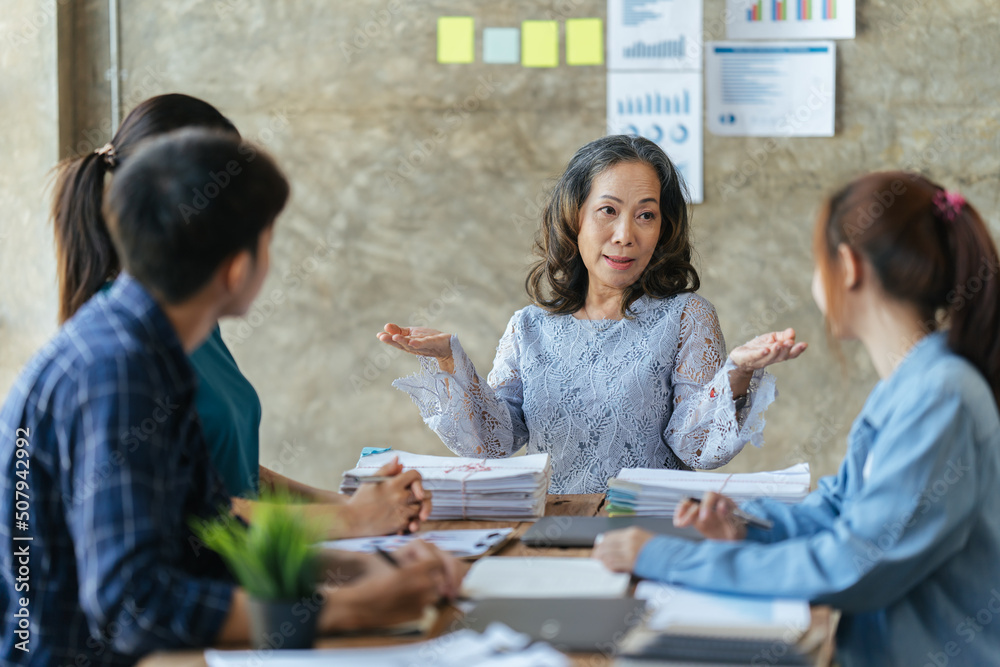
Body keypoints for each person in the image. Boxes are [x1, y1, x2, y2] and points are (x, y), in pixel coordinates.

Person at [0, 130, 463, 666]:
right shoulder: (118, 370)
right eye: (269, 239)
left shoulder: (142, 349)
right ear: (237, 268)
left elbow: (209, 529)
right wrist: (347, 610)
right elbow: (135, 606)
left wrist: (358, 569)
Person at [593, 172, 1000, 667]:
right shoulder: (915, 382)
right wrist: (746, 529)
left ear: (847, 268)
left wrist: (665, 557)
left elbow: (855, 564)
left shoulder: (941, 395)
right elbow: (838, 509)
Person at [51, 93, 422, 537]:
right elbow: (192, 521)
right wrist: (352, 520)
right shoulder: (118, 357)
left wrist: (356, 508)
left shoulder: (189, 328)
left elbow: (218, 477)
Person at [378, 135, 806, 493]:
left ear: (663, 229)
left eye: (646, 215)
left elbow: (695, 447)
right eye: (608, 210)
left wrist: (737, 372)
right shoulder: (529, 327)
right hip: (549, 534)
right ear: (574, 216)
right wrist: (448, 360)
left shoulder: (686, 316)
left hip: (650, 535)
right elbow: (495, 442)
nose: (625, 235)